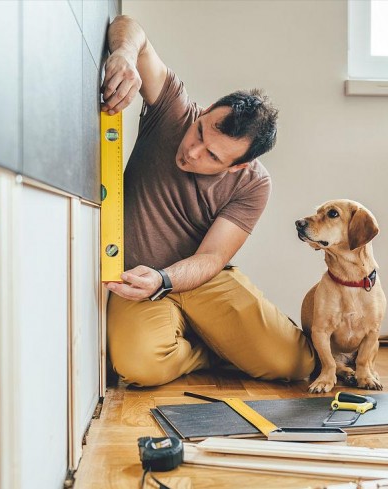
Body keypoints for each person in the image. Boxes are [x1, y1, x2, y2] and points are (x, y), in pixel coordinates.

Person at [100, 15, 316, 387]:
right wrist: (123, 52)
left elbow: (213, 257)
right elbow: (130, 27)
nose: (192, 152)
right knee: (140, 367)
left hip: (198, 277)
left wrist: (166, 278)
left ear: (238, 166)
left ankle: (219, 340)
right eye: (200, 131)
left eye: (213, 157)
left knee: (294, 364)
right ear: (204, 112)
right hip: (135, 278)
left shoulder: (254, 184)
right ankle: (210, 349)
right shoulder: (174, 111)